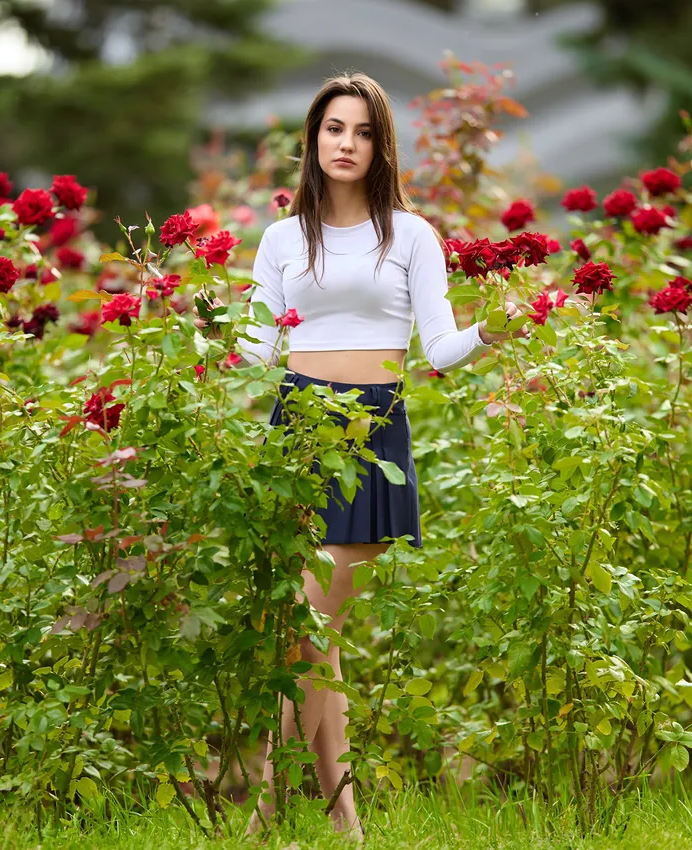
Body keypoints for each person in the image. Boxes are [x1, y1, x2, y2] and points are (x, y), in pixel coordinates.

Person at [200, 71, 528, 839]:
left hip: (372, 437)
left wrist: (494, 332)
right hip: (299, 429)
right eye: (334, 129)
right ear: (314, 141)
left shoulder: (410, 235)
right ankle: (347, 824)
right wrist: (195, 332)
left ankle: (268, 808)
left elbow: (439, 349)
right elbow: (256, 348)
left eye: (363, 131)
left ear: (382, 147)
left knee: (316, 629)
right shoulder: (282, 238)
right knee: (317, 640)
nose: (346, 143)